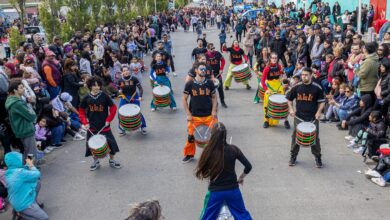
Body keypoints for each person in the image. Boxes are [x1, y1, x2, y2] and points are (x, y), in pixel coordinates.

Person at [196, 122, 252, 220]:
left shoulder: (208, 150)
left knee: (207, 217)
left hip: (215, 192)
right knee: (242, 215)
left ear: (212, 134)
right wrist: (241, 178)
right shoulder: (234, 149)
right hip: (233, 190)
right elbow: (248, 166)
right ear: (225, 134)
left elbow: (202, 170)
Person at [79, 76, 121, 171]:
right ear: (90, 86)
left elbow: (113, 108)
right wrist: (85, 122)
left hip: (104, 125)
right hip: (92, 126)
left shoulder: (104, 95)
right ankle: (96, 161)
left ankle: (112, 160)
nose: (97, 87)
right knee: (93, 145)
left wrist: (108, 119)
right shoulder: (86, 97)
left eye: (98, 85)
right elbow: (81, 111)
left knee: (111, 144)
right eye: (94, 85)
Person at [286, 67, 326, 168]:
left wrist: (318, 112)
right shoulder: (297, 86)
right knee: (295, 137)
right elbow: (289, 100)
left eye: (306, 75)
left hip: (313, 118)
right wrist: (291, 109)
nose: (304, 77)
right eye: (302, 75)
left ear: (311, 75)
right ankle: (293, 156)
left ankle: (318, 157)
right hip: (299, 117)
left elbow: (322, 102)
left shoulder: (317, 87)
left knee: (315, 139)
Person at [182, 62, 218, 163]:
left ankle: (215, 155)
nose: (203, 71)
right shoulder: (190, 84)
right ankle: (189, 154)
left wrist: (214, 111)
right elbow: (184, 99)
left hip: (209, 116)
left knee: (215, 136)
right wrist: (188, 114)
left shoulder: (210, 83)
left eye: (204, 69)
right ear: (196, 70)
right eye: (201, 69)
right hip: (195, 117)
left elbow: (214, 97)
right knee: (191, 137)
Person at [4, 152, 48, 220]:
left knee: (37, 184)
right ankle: (21, 214)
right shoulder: (19, 172)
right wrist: (31, 165)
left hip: (16, 200)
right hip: (23, 203)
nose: (22, 160)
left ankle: (30, 206)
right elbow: (37, 174)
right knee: (44, 218)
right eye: (20, 159)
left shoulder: (9, 171)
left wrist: (29, 164)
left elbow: (24, 171)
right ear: (17, 161)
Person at [5, 80, 38, 163]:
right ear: (15, 90)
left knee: (27, 150)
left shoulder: (11, 100)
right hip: (25, 129)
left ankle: (27, 166)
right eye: (21, 88)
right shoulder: (17, 103)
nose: (23, 89)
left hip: (20, 128)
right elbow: (31, 116)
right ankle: (31, 168)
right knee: (31, 151)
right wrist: (31, 105)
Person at [261, 53, 290, 129]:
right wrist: (266, 89)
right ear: (270, 59)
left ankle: (286, 121)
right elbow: (262, 80)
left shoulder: (279, 66)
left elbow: (281, 74)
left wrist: (284, 77)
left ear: (277, 59)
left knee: (284, 103)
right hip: (270, 87)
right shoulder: (267, 68)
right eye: (272, 58)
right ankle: (266, 120)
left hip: (278, 86)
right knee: (267, 104)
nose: (274, 59)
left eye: (275, 58)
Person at [117, 65, 147, 136]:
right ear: (122, 72)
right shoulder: (120, 80)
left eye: (127, 70)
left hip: (134, 97)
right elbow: (118, 90)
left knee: (137, 112)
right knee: (120, 113)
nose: (126, 72)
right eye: (124, 71)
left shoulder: (134, 78)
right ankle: (122, 129)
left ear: (129, 71)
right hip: (124, 98)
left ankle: (143, 127)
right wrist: (119, 91)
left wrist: (140, 96)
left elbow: (140, 88)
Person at [205, 43, 227, 108]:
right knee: (210, 90)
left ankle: (222, 102)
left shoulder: (217, 53)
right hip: (208, 76)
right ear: (208, 49)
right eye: (211, 48)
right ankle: (214, 103)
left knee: (220, 89)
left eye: (214, 48)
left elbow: (223, 61)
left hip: (217, 74)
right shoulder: (205, 56)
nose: (213, 49)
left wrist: (221, 69)